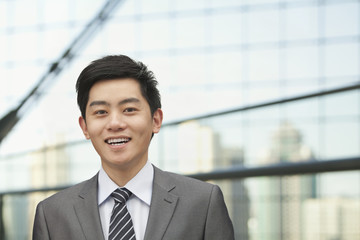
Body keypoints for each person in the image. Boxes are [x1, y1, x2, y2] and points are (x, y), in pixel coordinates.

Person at [32, 55, 235, 240]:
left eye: (129, 109)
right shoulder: (52, 214)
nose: (115, 123)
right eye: (101, 112)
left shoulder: (203, 203)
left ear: (156, 120)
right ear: (85, 127)